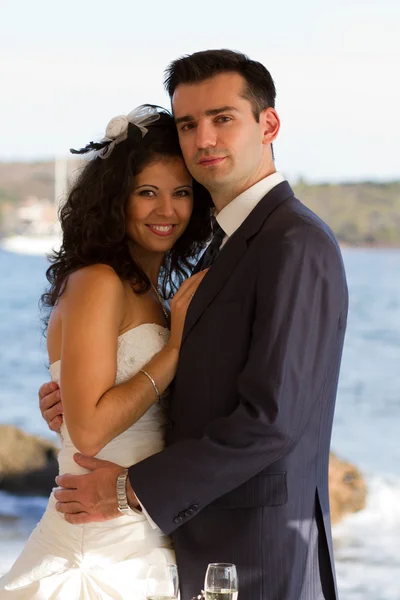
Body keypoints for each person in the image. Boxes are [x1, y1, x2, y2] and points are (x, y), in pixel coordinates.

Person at [38, 50, 348, 600]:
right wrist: (84, 400)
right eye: (188, 124)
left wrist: (130, 488)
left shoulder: (294, 243)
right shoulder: (222, 249)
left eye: (223, 118)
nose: (203, 138)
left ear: (268, 124)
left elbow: (271, 419)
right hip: (188, 551)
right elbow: (209, 382)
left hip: (259, 555)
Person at [0, 105, 212, 599]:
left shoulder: (153, 292)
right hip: (92, 547)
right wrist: (176, 348)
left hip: (139, 535)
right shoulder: (99, 281)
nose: (167, 211)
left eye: (181, 193)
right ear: (116, 201)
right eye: (147, 193)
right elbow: (92, 432)